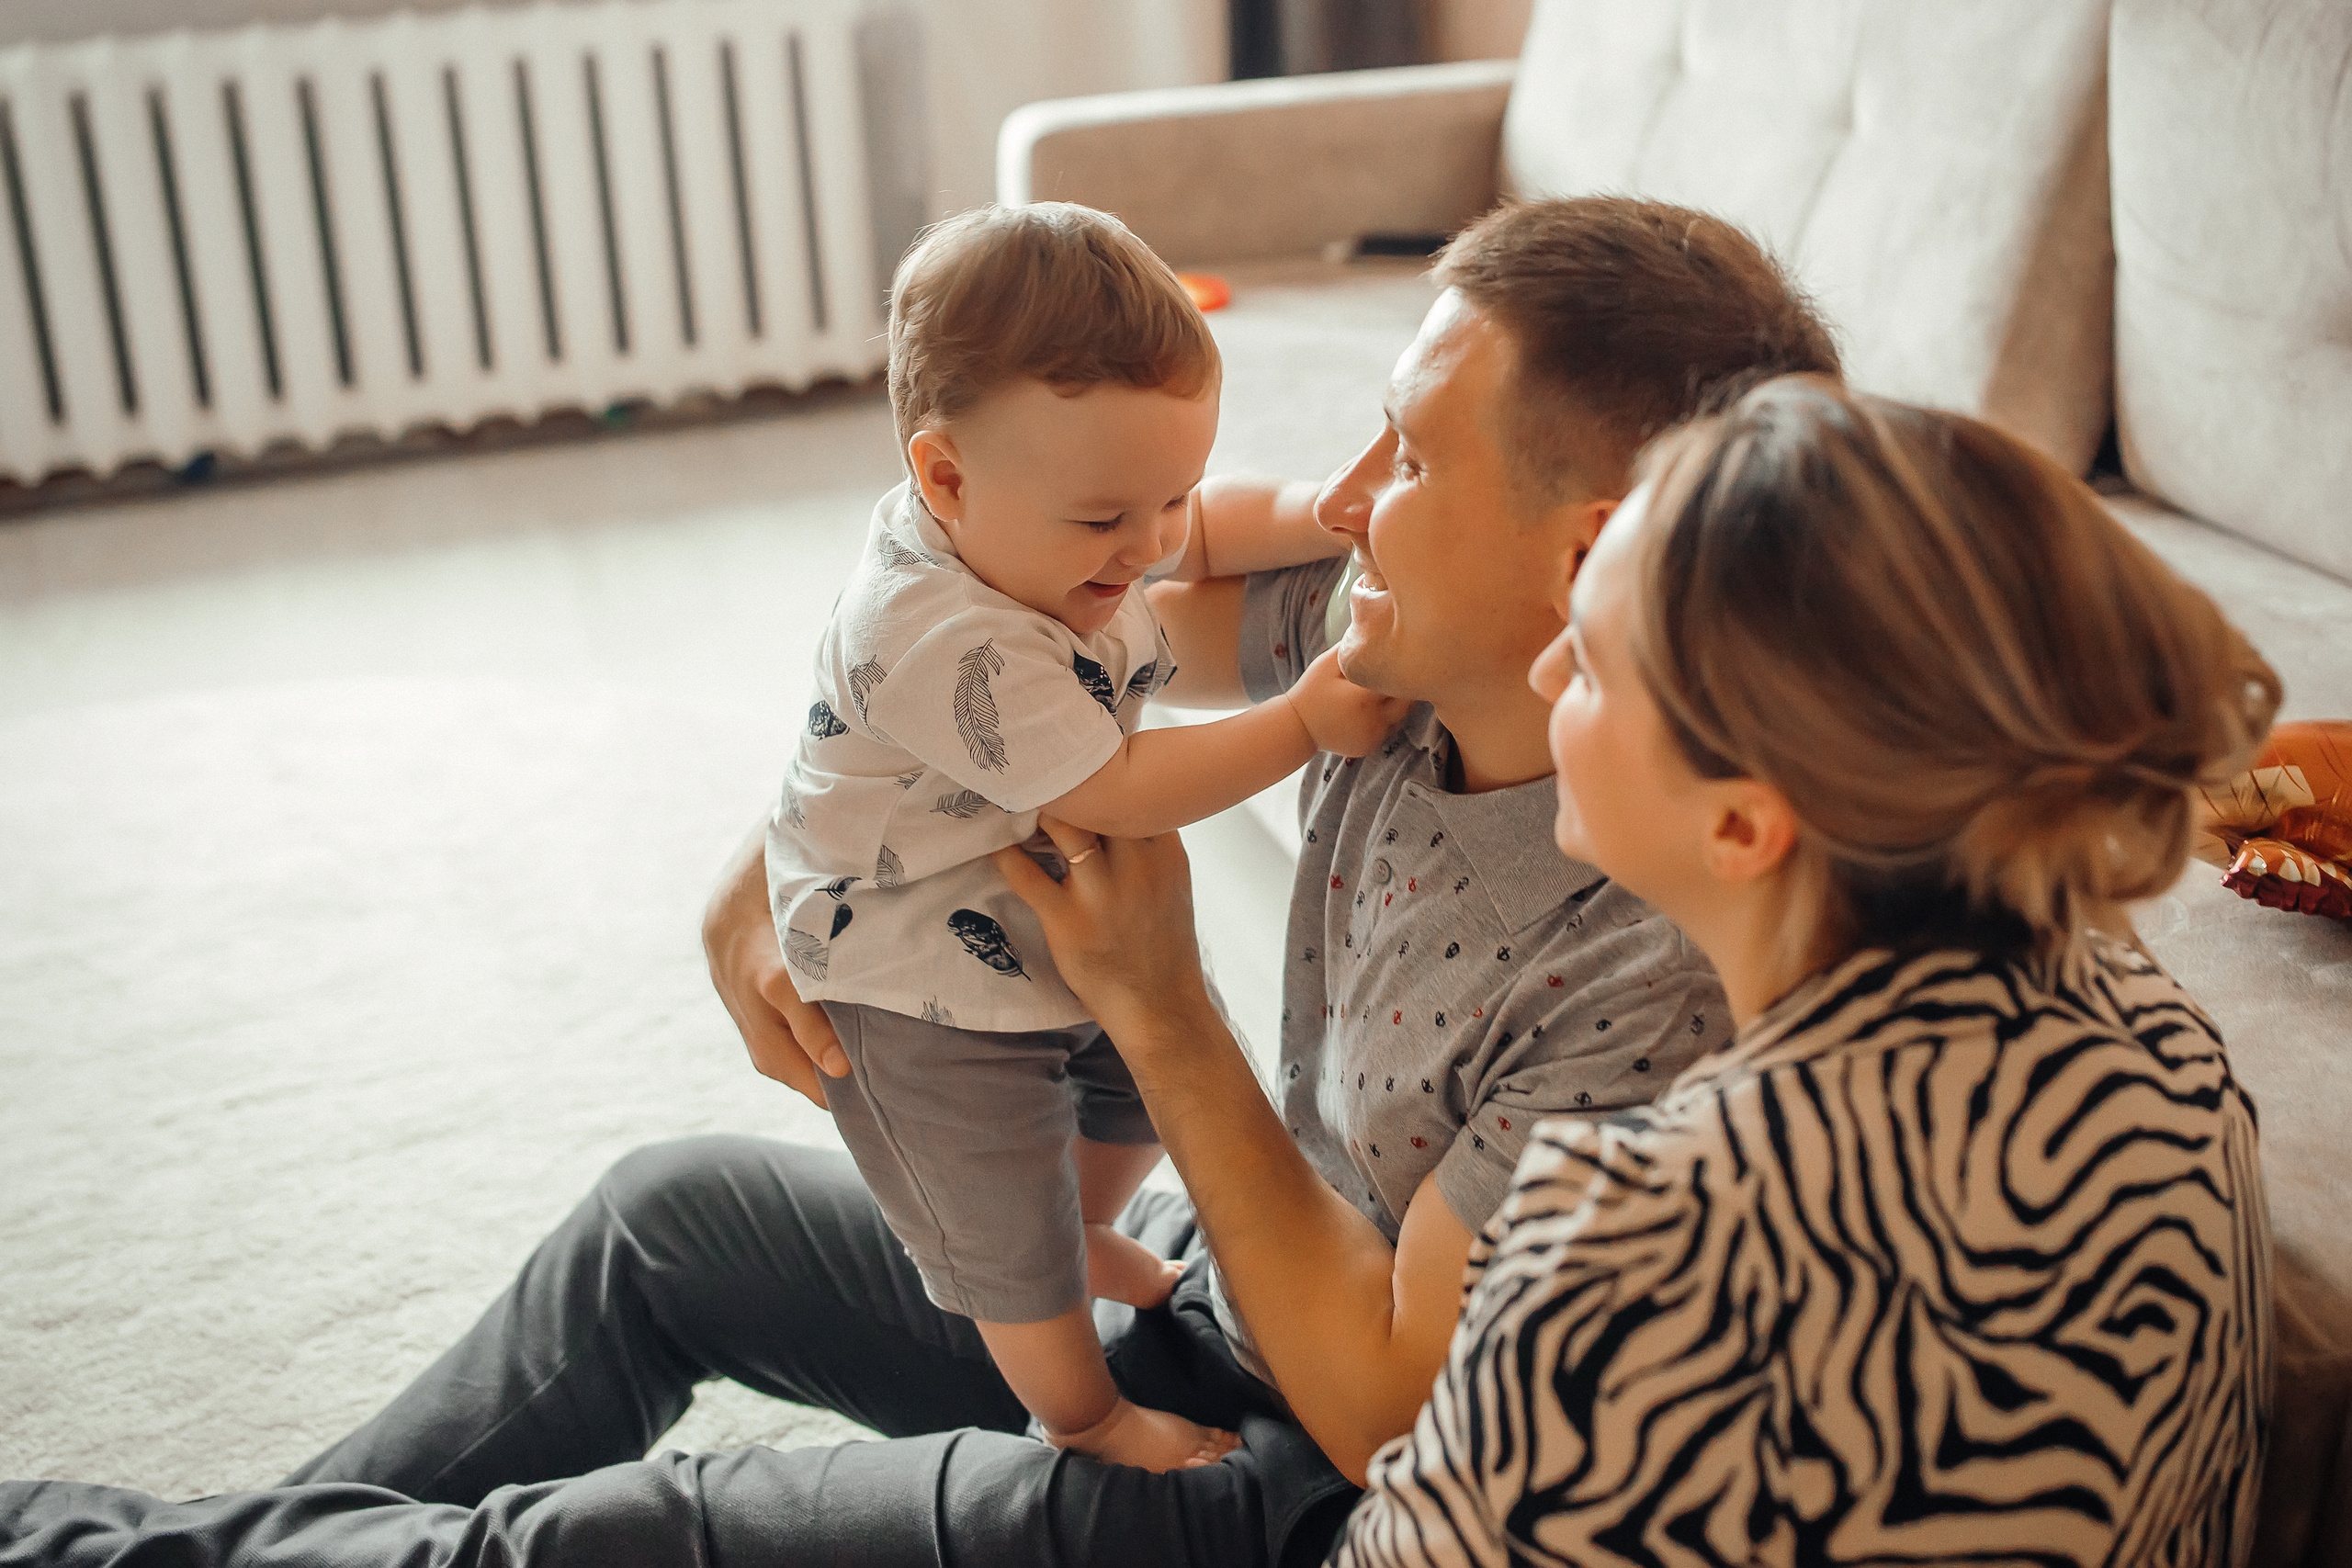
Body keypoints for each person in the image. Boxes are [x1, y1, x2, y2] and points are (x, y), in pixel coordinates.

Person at [0, 197, 1841, 1568]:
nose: (1345, 492)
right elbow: (1010, 603)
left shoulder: (1655, 944)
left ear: (1584, 548)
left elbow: (1379, 1411)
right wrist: (797, 833)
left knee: (619, 1539)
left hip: (1277, 1478)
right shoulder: (1399, 622)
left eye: (1409, 452)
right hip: (1213, 1265)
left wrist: (1160, 1003)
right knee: (659, 1224)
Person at [1296, 378, 2266, 1562]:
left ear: (1746, 826)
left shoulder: (1635, 1234)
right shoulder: (2169, 1048)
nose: (1547, 679)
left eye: (1592, 663)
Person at [761, 201, 1400, 1472]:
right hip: (905, 977)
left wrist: (1333, 516)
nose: (1154, 546)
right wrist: (1303, 719)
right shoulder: (935, 634)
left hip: (1015, 910)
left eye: (1168, 493)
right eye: (1112, 519)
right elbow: (1113, 786)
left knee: (1129, 1100)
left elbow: (1211, 528)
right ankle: (1082, 1413)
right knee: (1006, 1227)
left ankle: (1090, 1226)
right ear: (944, 477)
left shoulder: (1058, 522)